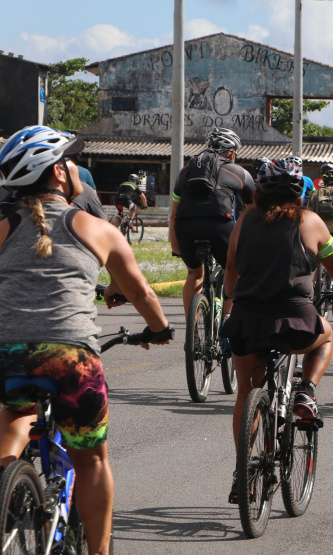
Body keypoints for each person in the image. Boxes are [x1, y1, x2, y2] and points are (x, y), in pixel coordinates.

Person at [0, 125, 174, 555]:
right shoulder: (95, 227)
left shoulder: (3, 227)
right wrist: (159, 328)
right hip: (71, 358)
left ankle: (5, 483)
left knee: (14, 416)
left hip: (8, 354)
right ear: (59, 174)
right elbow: (142, 293)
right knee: (92, 459)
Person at [223, 158, 333, 503]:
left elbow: (231, 271)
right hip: (296, 322)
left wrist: (230, 298)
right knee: (325, 336)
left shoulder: (244, 222)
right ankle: (306, 392)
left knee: (245, 393)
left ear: (260, 191)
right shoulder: (310, 222)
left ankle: (243, 472)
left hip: (248, 323)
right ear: (300, 192)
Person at [169, 127, 256, 318]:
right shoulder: (239, 172)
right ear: (232, 153)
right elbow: (253, 211)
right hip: (219, 226)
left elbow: (174, 213)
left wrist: (176, 246)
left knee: (194, 273)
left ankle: (193, 332)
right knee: (232, 270)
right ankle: (227, 322)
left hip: (185, 226)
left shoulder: (185, 172)